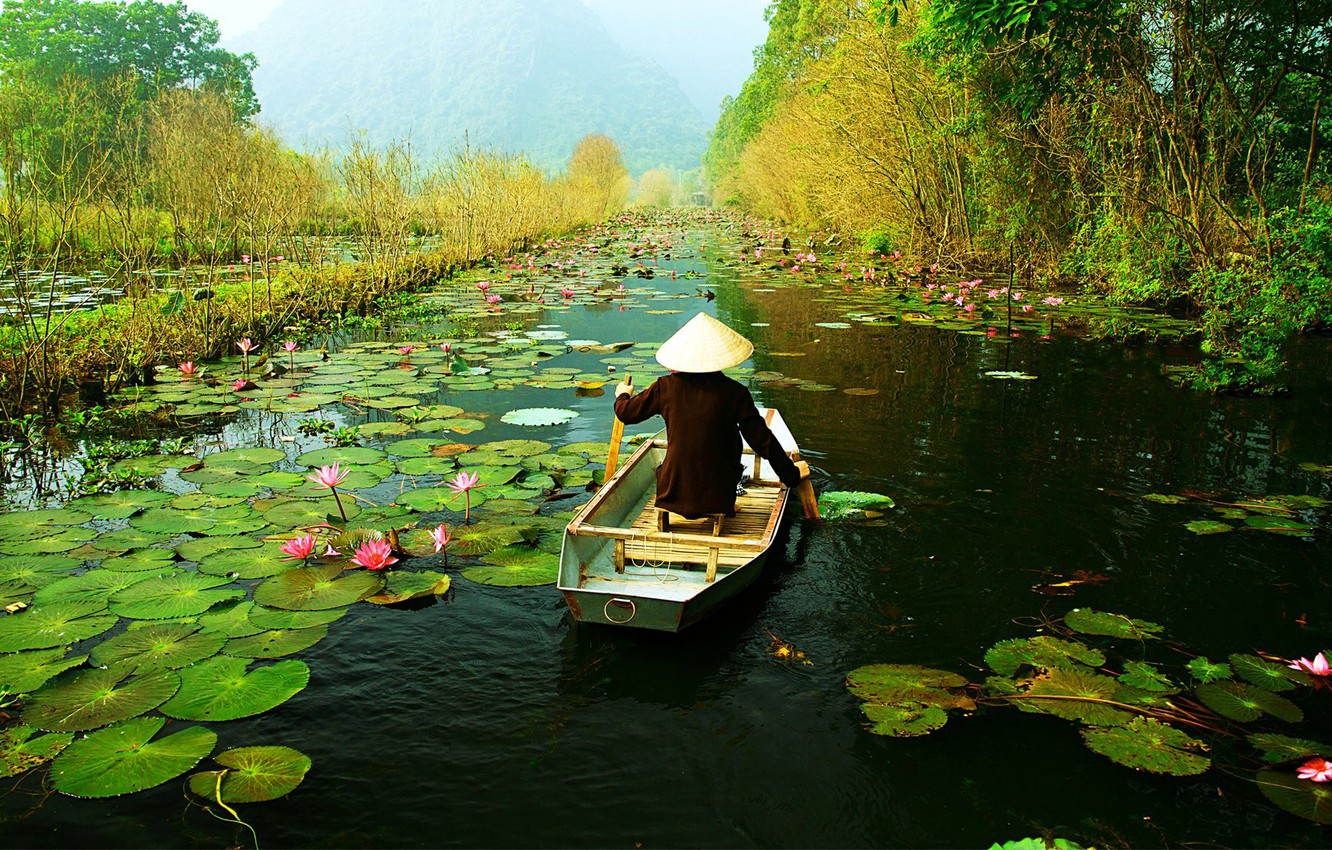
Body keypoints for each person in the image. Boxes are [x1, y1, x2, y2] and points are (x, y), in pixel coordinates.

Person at [614, 312, 810, 519]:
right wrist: (791, 475)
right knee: (731, 439)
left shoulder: (665, 387)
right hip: (719, 494)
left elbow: (626, 413)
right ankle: (726, 502)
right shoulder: (735, 392)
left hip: (672, 491)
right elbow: (762, 440)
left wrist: (623, 394)